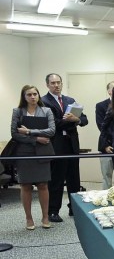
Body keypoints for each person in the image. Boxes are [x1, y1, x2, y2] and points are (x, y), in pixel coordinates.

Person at [41, 73, 88, 223]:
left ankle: (74, 208)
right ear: (47, 85)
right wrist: (72, 121)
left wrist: (77, 119)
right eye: (53, 83)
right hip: (56, 144)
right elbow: (51, 124)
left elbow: (85, 120)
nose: (56, 85)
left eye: (58, 82)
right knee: (56, 180)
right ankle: (53, 211)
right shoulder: (44, 101)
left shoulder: (70, 100)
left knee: (74, 178)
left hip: (72, 144)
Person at [11, 85, 55, 230]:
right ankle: (29, 218)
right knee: (26, 185)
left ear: (38, 95)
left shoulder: (46, 110)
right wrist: (36, 138)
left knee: (43, 184)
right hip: (24, 153)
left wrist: (29, 131)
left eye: (35, 94)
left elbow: (51, 131)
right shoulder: (17, 112)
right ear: (24, 97)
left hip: (43, 151)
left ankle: (45, 216)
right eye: (29, 94)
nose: (33, 97)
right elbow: (15, 134)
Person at [95, 81, 114, 189]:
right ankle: (106, 202)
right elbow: (101, 125)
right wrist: (106, 144)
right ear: (109, 91)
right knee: (107, 176)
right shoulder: (101, 105)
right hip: (106, 145)